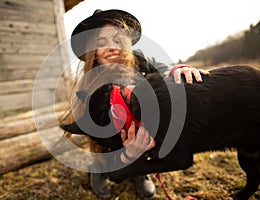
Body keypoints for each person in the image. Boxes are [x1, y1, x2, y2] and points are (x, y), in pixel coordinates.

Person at [66, 9, 210, 199]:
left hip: (135, 125)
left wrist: (176, 69)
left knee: (143, 133)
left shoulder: (137, 60)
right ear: (93, 50)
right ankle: (100, 167)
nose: (111, 47)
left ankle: (139, 169)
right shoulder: (89, 82)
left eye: (117, 41)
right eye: (102, 43)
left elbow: (163, 69)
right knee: (102, 139)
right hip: (106, 136)